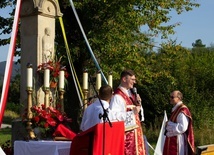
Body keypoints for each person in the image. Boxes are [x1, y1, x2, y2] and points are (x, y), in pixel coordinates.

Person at [109, 69, 146, 155]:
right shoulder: (117, 97)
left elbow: (139, 115)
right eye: (132, 79)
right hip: (127, 137)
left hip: (136, 134)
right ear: (124, 79)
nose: (134, 82)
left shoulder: (130, 94)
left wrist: (138, 103)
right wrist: (132, 113)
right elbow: (113, 116)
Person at [163, 90, 195, 155]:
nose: (170, 99)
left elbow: (182, 127)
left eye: (172, 97)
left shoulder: (182, 110)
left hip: (178, 141)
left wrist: (168, 124)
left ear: (179, 98)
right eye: (170, 97)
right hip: (172, 139)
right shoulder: (176, 109)